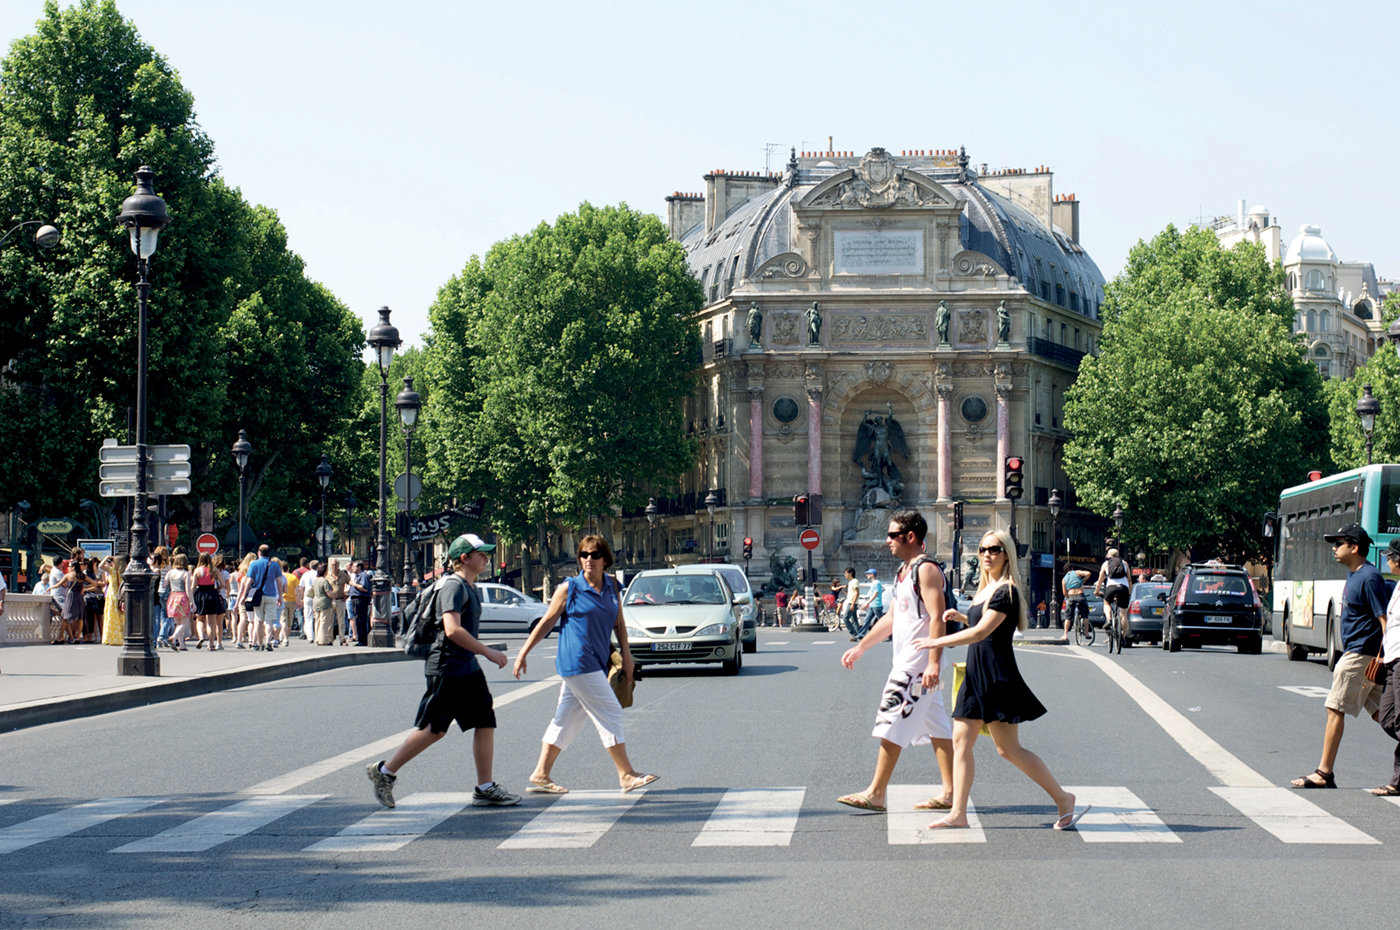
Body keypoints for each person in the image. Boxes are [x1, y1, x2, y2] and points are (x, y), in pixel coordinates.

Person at [916, 528, 1089, 830]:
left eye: (994, 549)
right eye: (983, 549)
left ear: (1006, 553)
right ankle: (958, 814)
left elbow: (984, 632)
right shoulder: (987, 587)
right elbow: (981, 623)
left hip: (997, 674)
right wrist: (962, 618)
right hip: (975, 673)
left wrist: (936, 642)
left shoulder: (1006, 590)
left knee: (1008, 750)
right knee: (961, 742)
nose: (987, 554)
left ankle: (1063, 798)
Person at [366, 533, 520, 810]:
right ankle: (385, 771)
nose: (487, 557)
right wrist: (487, 651)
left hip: (465, 667)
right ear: (465, 558)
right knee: (434, 729)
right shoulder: (453, 587)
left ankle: (485, 788)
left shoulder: (467, 585)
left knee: (485, 721)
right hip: (447, 666)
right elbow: (452, 629)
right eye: (481, 553)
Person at [512, 534, 657, 794]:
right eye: (584, 555)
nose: (589, 560)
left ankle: (541, 773)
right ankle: (625, 774)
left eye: (595, 555)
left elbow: (619, 625)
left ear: (605, 560)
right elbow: (546, 621)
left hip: (597, 662)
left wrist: (627, 658)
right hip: (577, 661)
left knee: (566, 719)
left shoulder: (613, 586)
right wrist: (523, 652)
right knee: (611, 711)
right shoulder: (570, 588)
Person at [837, 510, 955, 813]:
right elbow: (891, 618)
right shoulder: (904, 572)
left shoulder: (926, 570)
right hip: (910, 660)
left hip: (917, 663)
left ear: (910, 537)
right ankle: (951, 792)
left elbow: (937, 619)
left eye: (892, 535)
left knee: (892, 716)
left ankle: (876, 792)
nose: (886, 540)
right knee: (937, 725)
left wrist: (932, 662)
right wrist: (861, 647)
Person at [1292, 522, 1386, 789]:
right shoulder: (1355, 575)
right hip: (1360, 654)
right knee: (1386, 715)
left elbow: (1384, 620)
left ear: (1354, 547)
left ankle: (1324, 773)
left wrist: (1384, 657)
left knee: (1334, 708)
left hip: (1360, 656)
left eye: (1338, 543)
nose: (1334, 549)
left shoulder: (1369, 577)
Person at [1372, 539, 1400, 797]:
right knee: (1388, 719)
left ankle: (1399, 780)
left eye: (1390, 556)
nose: (1387, 560)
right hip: (1392, 659)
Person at [239, 545, 285, 653]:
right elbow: (279, 581)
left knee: (258, 620)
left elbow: (249, 581)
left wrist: (244, 596)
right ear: (269, 553)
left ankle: (259, 643)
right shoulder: (274, 565)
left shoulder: (253, 564)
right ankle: (268, 642)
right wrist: (280, 597)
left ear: (259, 552)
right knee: (268, 620)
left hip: (258, 596)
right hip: (271, 595)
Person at [1094, 548, 1132, 640]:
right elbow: (1129, 579)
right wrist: (1129, 592)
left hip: (1111, 588)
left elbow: (1100, 581)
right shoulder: (1125, 563)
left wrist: (1096, 591)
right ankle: (1123, 635)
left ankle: (1109, 619)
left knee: (1106, 603)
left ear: (1108, 556)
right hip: (1123, 588)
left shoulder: (1106, 564)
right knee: (1123, 613)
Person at [191, 553, 224, 650]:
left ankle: (201, 637)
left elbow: (193, 587)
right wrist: (217, 587)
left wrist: (191, 599)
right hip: (212, 594)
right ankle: (211, 644)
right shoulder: (214, 570)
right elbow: (223, 584)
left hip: (201, 594)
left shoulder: (197, 570)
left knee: (200, 619)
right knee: (211, 622)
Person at [163, 554, 193, 650]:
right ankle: (173, 637)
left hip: (172, 597)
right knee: (184, 622)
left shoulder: (170, 573)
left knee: (178, 623)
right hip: (182, 597)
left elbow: (164, 585)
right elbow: (188, 589)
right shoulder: (186, 574)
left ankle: (181, 645)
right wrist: (192, 601)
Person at [850, 567, 884, 640]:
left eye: (868, 574)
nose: (866, 575)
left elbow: (876, 594)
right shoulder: (874, 583)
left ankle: (889, 634)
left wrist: (867, 603)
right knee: (867, 620)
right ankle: (861, 634)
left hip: (877, 605)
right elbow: (871, 594)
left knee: (881, 621)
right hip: (873, 605)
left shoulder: (877, 583)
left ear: (872, 574)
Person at [101, 556, 127, 645]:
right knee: (121, 617)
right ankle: (121, 637)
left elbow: (100, 566)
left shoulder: (112, 571)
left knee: (111, 617)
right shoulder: (124, 572)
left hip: (112, 595)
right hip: (121, 595)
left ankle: (110, 637)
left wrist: (107, 557)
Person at [1061, 566, 1091, 641]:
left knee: (1068, 617)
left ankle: (1065, 635)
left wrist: (1069, 597)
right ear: (1072, 568)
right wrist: (1084, 580)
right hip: (1080, 595)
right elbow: (1088, 573)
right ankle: (1087, 633)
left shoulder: (1064, 579)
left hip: (1071, 596)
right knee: (1085, 616)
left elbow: (1064, 593)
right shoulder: (1077, 572)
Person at [350, 560, 373, 646]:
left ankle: (363, 640)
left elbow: (364, 588)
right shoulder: (356, 576)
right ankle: (361, 638)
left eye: (354, 566)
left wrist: (354, 584)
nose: (353, 568)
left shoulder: (363, 575)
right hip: (356, 599)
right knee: (357, 619)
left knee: (361, 619)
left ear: (359, 567)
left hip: (361, 599)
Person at [839, 567, 861, 638]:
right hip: (850, 602)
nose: (845, 575)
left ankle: (853, 633)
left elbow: (857, 593)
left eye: (846, 573)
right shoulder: (850, 582)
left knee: (845, 618)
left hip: (852, 603)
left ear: (851, 573)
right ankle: (859, 634)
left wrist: (852, 604)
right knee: (854, 620)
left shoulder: (855, 581)